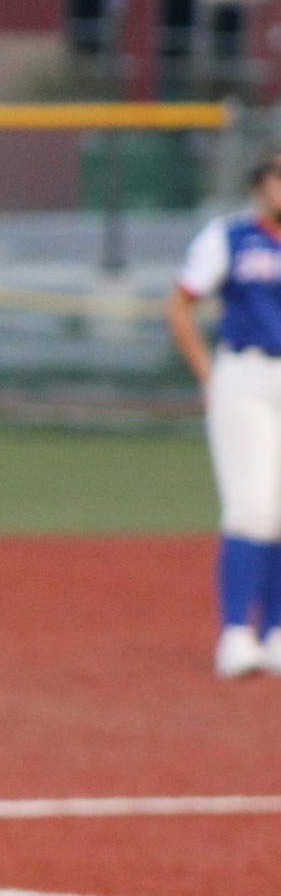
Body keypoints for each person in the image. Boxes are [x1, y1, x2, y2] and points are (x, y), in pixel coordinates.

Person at [166, 145, 281, 678]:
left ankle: (276, 634)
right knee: (250, 507)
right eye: (276, 176)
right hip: (246, 375)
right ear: (260, 184)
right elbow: (179, 303)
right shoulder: (230, 237)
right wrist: (209, 376)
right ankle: (235, 635)